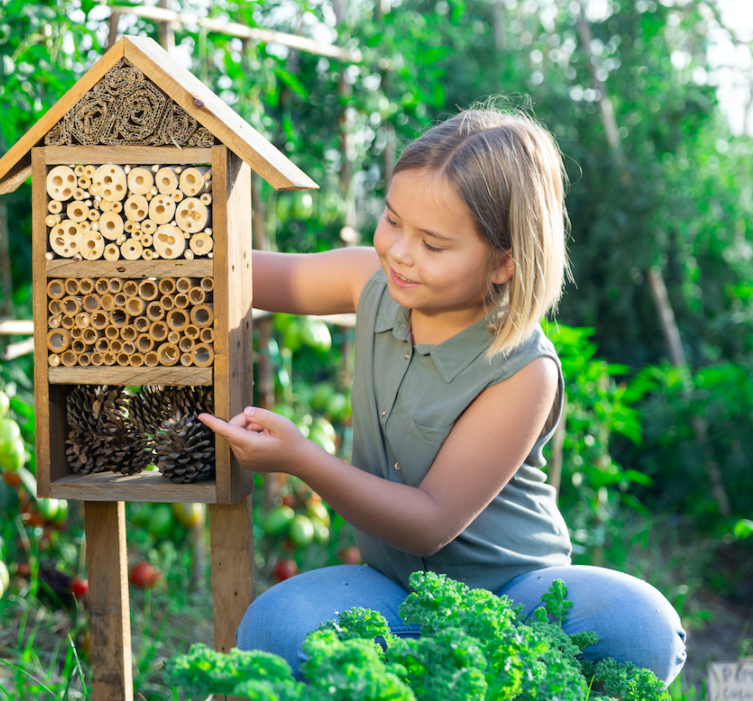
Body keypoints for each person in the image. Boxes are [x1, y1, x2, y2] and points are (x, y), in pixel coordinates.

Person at [199, 104, 686, 685]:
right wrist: (154, 233)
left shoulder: (522, 369)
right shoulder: (368, 282)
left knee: (641, 626)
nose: (400, 251)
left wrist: (303, 460)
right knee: (275, 628)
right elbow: (236, 271)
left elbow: (429, 523)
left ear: (504, 262)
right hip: (396, 592)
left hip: (515, 598)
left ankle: (474, 671)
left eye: (433, 243)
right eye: (392, 220)